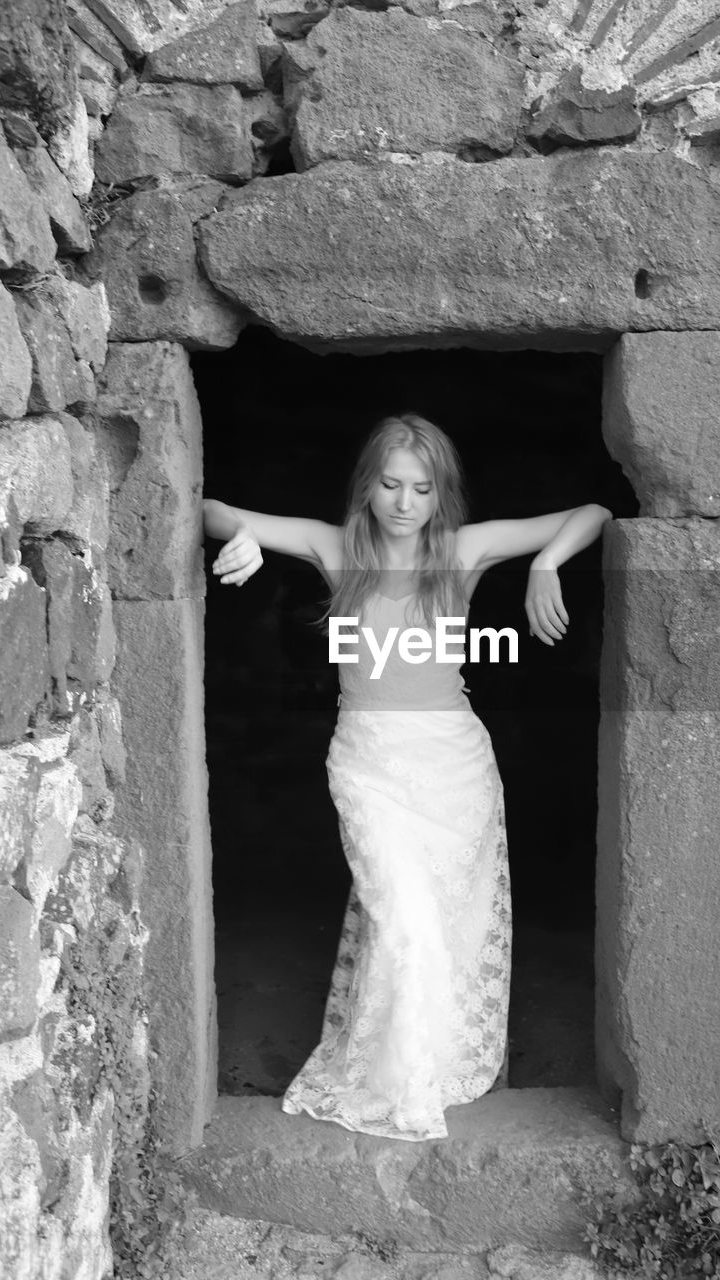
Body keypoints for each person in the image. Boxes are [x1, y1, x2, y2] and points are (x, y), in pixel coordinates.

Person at [202, 412, 611, 1142]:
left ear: (438, 494)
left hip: (454, 765)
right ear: (367, 487)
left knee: (450, 928)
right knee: (406, 922)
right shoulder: (335, 549)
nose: (403, 502)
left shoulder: (463, 550)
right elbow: (209, 506)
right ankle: (398, 1084)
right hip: (367, 761)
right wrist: (239, 536)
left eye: (420, 488)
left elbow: (593, 512)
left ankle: (428, 1067)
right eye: (389, 484)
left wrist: (546, 562)